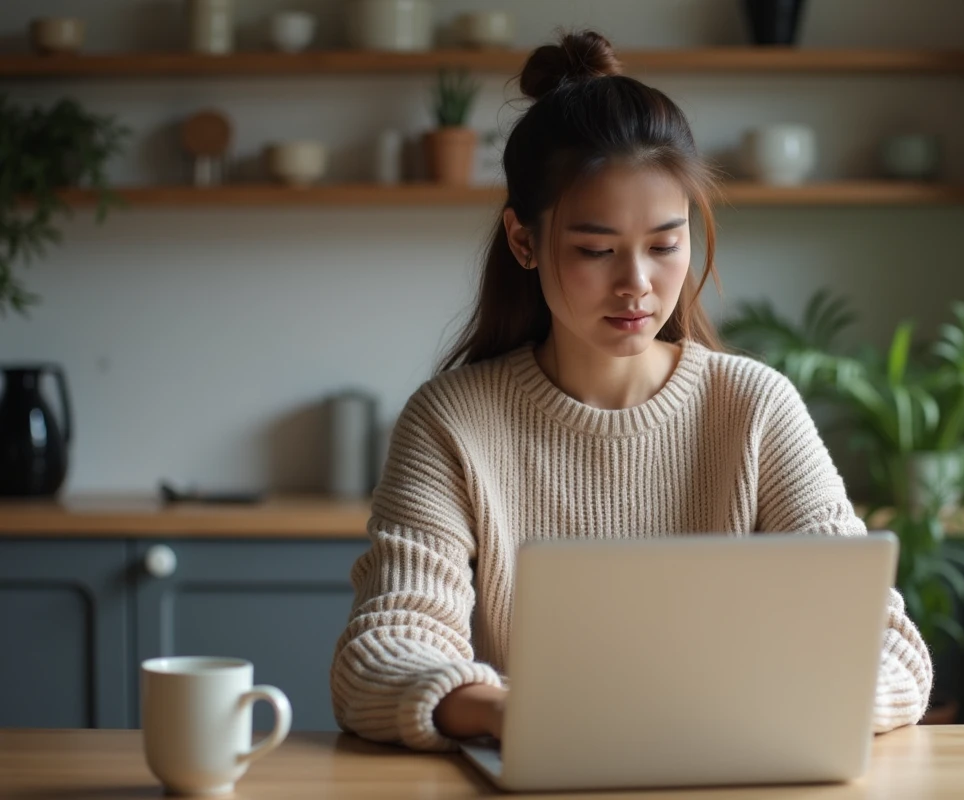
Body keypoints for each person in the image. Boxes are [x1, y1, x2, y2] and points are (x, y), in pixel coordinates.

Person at [330, 29, 932, 752]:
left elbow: (889, 650)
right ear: (523, 241)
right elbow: (383, 654)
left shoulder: (754, 408)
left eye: (665, 244)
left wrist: (768, 709)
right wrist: (504, 713)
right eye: (595, 250)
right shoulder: (451, 422)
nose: (637, 285)